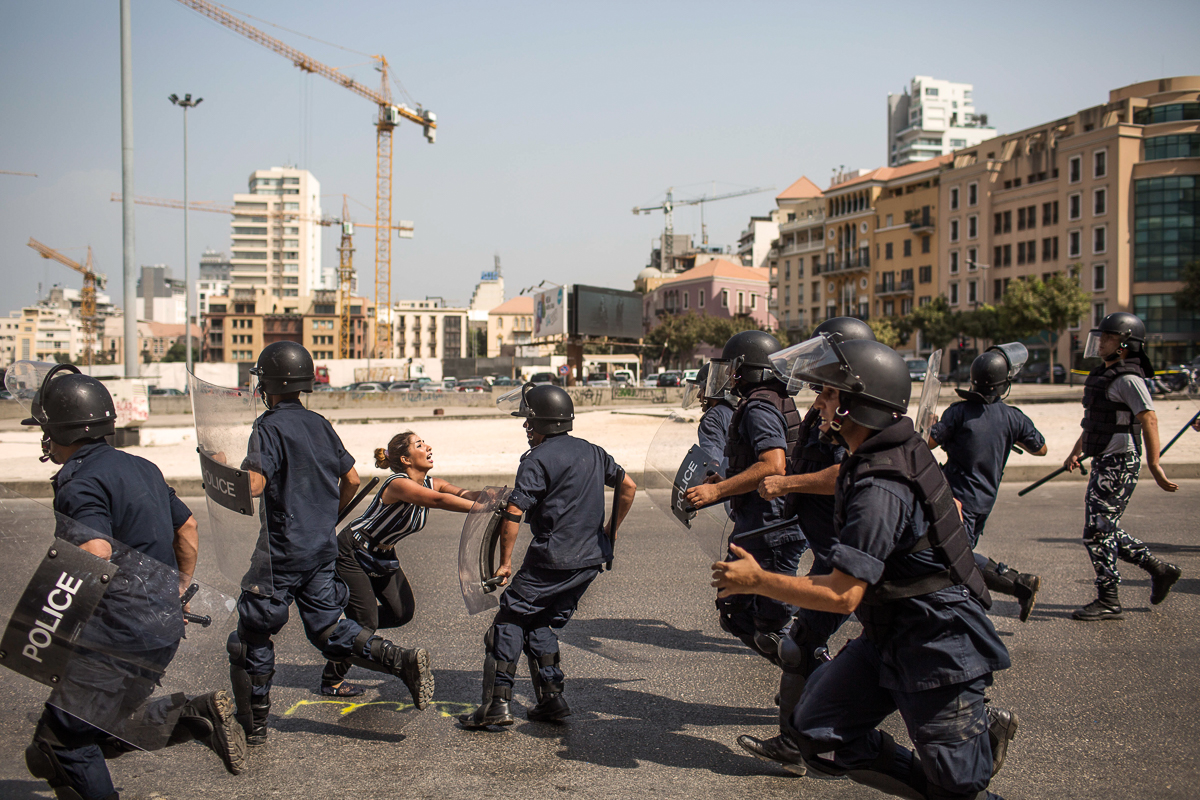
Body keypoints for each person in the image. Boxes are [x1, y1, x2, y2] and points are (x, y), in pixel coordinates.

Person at [713, 338, 1016, 800]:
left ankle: (957, 777)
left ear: (858, 405)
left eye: (829, 395)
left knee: (960, 787)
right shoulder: (877, 453)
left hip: (938, 644)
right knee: (815, 732)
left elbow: (841, 596)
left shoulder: (880, 484)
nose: (819, 404)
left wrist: (758, 581)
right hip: (889, 632)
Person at [19, 364, 246, 800]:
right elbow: (188, 529)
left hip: (114, 632)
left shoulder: (78, 482)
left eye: (45, 428)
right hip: (161, 627)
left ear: (59, 430)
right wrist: (176, 590)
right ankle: (193, 718)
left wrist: (53, 620)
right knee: (99, 726)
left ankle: (190, 720)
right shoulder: (141, 466)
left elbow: (95, 552)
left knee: (61, 740)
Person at [227, 342, 433, 746]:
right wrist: (325, 519)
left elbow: (253, 484)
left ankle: (254, 724)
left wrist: (220, 469)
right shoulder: (319, 423)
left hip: (281, 551)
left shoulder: (267, 427)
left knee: (251, 635)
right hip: (320, 548)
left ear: (268, 383)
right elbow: (352, 479)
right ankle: (397, 658)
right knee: (327, 628)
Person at [738, 317, 874, 772]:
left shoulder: (864, 416)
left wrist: (784, 483)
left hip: (853, 561)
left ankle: (798, 742)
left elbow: (848, 475)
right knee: (812, 648)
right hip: (832, 553)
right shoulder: (825, 409)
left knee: (803, 647)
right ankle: (799, 739)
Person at [460, 383, 636, 728]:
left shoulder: (536, 460)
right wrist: (610, 531)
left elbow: (514, 513)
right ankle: (552, 699)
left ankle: (496, 704)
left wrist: (506, 561)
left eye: (529, 422)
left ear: (543, 422)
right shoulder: (593, 451)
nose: (526, 428)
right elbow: (627, 487)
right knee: (541, 623)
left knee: (509, 621)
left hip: (552, 559)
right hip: (589, 560)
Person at [320, 431, 481, 696]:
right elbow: (438, 501)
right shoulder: (398, 484)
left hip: (382, 556)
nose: (428, 446)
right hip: (353, 552)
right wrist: (481, 509)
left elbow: (464, 493)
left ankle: (350, 631)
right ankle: (332, 678)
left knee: (401, 613)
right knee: (367, 622)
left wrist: (499, 496)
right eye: (420, 445)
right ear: (405, 459)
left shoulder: (433, 482)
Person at [684, 330, 807, 665]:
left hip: (772, 527)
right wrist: (727, 478)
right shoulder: (773, 399)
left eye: (732, 369)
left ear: (746, 369)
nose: (728, 377)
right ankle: (807, 680)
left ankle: (816, 683)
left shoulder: (758, 407)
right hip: (767, 523)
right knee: (736, 608)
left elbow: (773, 465)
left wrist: (716, 490)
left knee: (769, 625)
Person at [1064, 312, 1181, 621]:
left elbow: (1149, 418)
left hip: (1120, 463)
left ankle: (1109, 599)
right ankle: (1159, 570)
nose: (1100, 341)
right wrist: (1077, 451)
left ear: (1125, 345)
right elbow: (1096, 421)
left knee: (1097, 532)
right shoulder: (1106, 375)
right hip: (1104, 459)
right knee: (1103, 530)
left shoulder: (1128, 379)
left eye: (1107, 337)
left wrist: (1154, 465)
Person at [929, 344, 1048, 622]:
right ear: (1003, 383)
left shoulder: (958, 413)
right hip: (984, 500)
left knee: (957, 559)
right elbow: (1040, 449)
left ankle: (1019, 584)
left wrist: (934, 425)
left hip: (955, 499)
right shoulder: (1013, 417)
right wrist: (1009, 434)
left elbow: (928, 442)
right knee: (956, 555)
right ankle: (1014, 587)